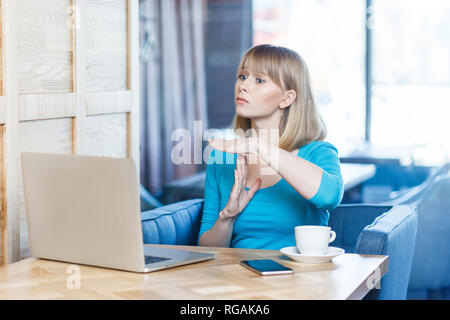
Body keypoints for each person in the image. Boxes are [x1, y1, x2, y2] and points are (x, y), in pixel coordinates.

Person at [198, 44, 344, 250]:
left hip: (301, 279)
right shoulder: (221, 159)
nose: (243, 86)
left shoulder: (317, 153)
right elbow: (206, 250)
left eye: (259, 80)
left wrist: (258, 146)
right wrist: (227, 217)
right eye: (242, 76)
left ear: (287, 98)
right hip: (239, 279)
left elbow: (330, 196)